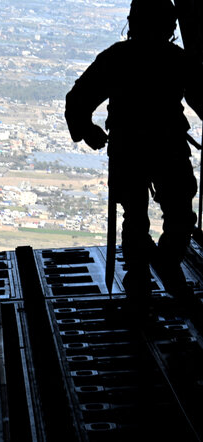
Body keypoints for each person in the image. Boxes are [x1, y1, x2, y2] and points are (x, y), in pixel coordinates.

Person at [65, 0, 203, 302]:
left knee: (137, 218)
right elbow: (202, 99)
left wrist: (88, 131)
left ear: (133, 23)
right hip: (167, 147)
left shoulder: (118, 58)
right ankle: (161, 268)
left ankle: (141, 281)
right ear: (170, 28)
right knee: (178, 216)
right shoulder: (176, 60)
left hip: (131, 149)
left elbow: (78, 99)